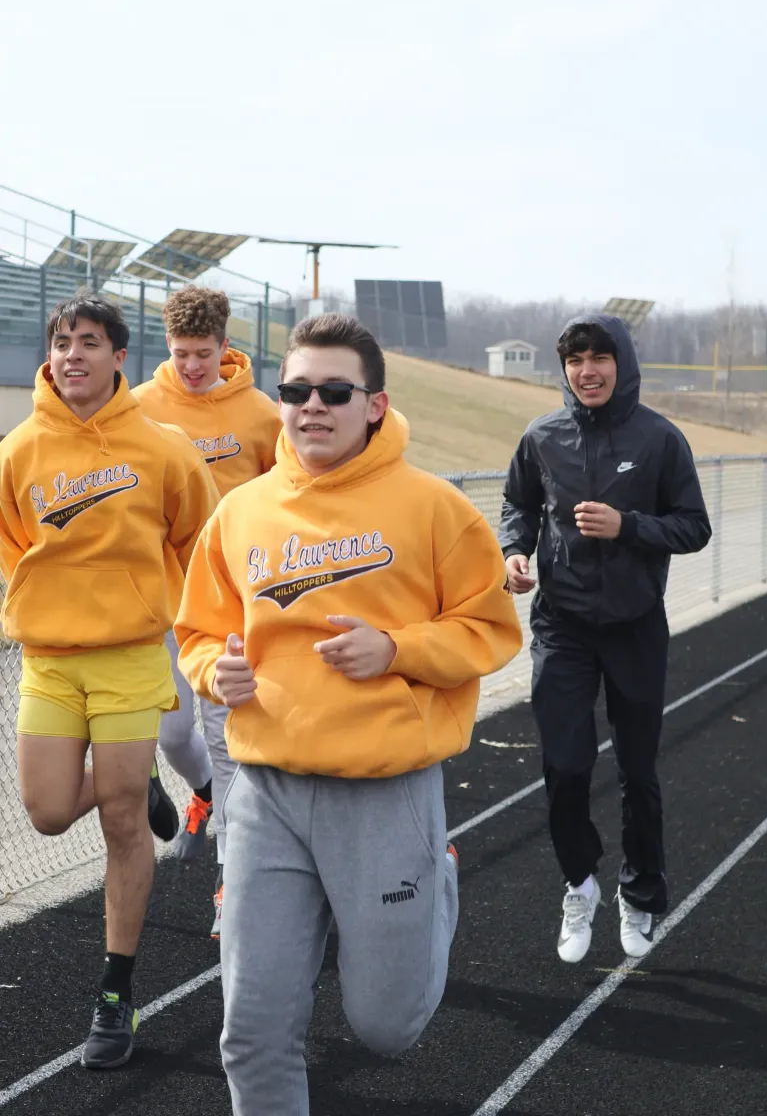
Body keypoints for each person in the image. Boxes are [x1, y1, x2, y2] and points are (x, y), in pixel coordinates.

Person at [175, 312, 522, 1115]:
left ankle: (433, 881)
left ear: (375, 403)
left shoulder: (434, 508)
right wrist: (212, 670)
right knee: (251, 1033)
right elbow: (196, 630)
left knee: (385, 1028)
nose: (312, 406)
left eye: (335, 390)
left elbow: (491, 627)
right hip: (264, 792)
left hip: (384, 792)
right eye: (296, 389)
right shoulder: (243, 511)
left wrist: (395, 650)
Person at [0, 291, 218, 1069]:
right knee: (51, 811)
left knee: (121, 822)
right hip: (52, 660)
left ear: (119, 356)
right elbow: (12, 543)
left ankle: (115, 993)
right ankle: (137, 781)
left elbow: (201, 540)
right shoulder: (19, 448)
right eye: (62, 342)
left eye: (89, 342)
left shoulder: (162, 449)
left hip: (131, 654)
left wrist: (200, 633)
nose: (72, 355)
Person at [499, 314, 711, 964]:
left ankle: (641, 894)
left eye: (599, 357)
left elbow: (693, 527)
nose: (587, 370)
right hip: (561, 626)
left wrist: (629, 526)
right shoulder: (542, 435)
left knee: (638, 773)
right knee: (564, 768)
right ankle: (581, 883)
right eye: (575, 360)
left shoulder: (659, 439)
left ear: (621, 363)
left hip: (635, 628)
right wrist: (514, 552)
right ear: (564, 370)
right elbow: (519, 504)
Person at [133, 285, 281, 935]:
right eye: (180, 353)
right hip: (167, 600)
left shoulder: (260, 415)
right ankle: (201, 798)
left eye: (203, 353)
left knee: (229, 747)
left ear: (226, 347)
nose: (192, 366)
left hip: (235, 610)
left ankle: (232, 886)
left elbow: (289, 495)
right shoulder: (138, 407)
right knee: (170, 734)